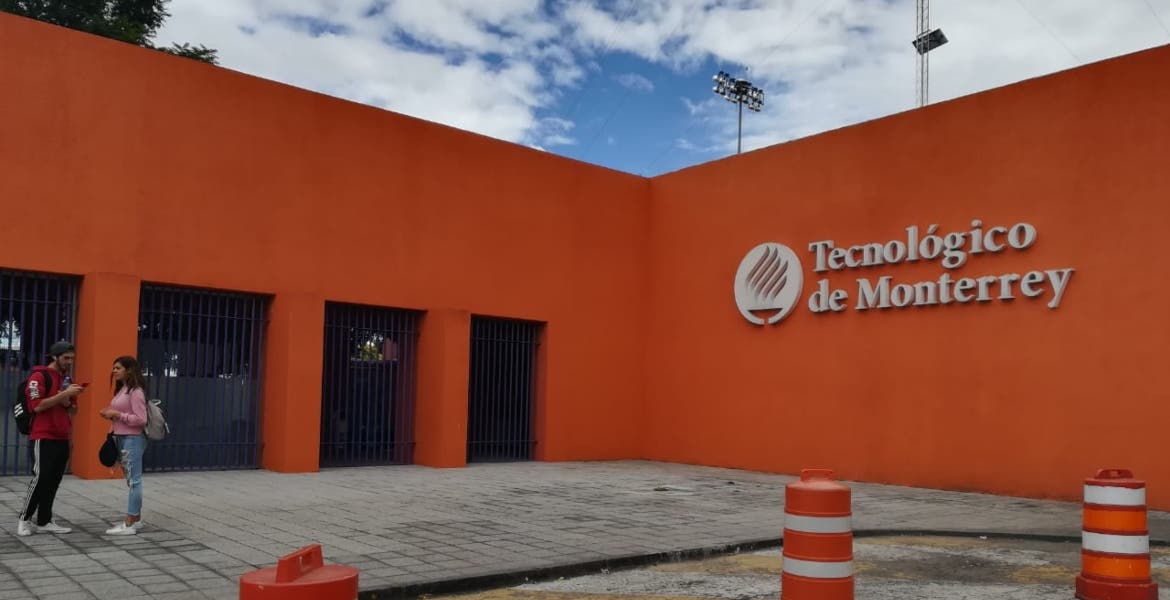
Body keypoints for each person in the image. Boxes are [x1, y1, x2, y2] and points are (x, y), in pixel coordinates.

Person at [17, 341, 85, 536]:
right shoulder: (39, 376)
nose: (69, 362)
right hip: (43, 435)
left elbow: (74, 410)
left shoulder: (67, 379)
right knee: (41, 478)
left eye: (72, 358)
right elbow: (36, 406)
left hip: (62, 435)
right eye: (66, 358)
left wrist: (67, 401)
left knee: (54, 480)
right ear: (54, 357)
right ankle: (24, 519)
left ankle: (45, 520)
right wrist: (63, 395)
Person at [99, 355, 149, 535]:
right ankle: (136, 519)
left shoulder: (136, 391)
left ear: (129, 370)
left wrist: (118, 415)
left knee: (134, 480)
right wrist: (110, 414)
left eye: (118, 368)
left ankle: (129, 524)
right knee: (131, 480)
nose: (114, 371)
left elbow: (141, 419)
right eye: (113, 368)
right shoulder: (123, 389)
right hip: (122, 437)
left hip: (132, 439)